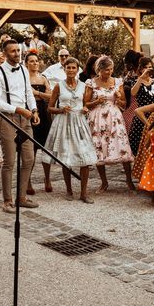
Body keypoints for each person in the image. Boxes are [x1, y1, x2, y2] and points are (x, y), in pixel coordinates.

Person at [0, 38, 40, 213]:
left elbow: (28, 92)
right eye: (13, 51)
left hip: (25, 117)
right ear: (4, 54)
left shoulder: (24, 70)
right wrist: (18, 109)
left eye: (18, 50)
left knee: (29, 158)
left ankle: (22, 197)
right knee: (9, 161)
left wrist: (34, 110)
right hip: (6, 117)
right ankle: (7, 201)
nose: (17, 54)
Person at [43, 57, 98, 204]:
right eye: (69, 68)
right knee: (66, 158)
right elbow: (49, 108)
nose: (71, 70)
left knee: (85, 159)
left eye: (74, 68)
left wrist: (86, 108)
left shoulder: (83, 86)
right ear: (65, 69)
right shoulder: (58, 86)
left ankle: (84, 193)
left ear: (78, 69)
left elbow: (85, 104)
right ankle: (68, 190)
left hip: (79, 123)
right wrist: (60, 109)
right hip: (63, 122)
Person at [84, 55, 135, 193]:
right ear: (99, 70)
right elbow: (85, 104)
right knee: (99, 149)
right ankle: (104, 182)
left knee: (122, 146)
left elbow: (124, 104)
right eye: (107, 70)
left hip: (114, 117)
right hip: (98, 118)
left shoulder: (118, 82)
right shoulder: (91, 83)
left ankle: (129, 180)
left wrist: (118, 99)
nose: (110, 72)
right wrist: (96, 102)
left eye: (111, 69)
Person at [128, 57, 154, 155]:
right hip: (141, 115)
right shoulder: (136, 80)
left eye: (150, 67)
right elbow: (133, 93)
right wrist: (141, 77)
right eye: (146, 67)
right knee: (138, 142)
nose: (149, 69)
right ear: (141, 68)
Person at [25, 51, 53, 194]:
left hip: (44, 112)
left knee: (46, 148)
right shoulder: (23, 78)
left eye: (36, 61)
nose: (35, 63)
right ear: (26, 63)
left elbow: (50, 97)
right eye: (31, 61)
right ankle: (28, 181)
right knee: (31, 150)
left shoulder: (43, 78)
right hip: (29, 112)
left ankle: (47, 179)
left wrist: (37, 94)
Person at [122, 49, 142, 134]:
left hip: (136, 101)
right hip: (130, 101)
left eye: (126, 63)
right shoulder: (130, 72)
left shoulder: (138, 73)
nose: (125, 65)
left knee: (129, 122)